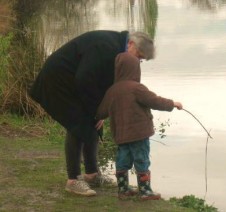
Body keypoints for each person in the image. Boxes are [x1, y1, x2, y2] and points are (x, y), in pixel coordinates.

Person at [29, 30, 155, 196]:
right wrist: (96, 109)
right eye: (138, 56)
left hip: (73, 82)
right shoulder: (106, 47)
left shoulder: (117, 50)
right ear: (130, 44)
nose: (138, 61)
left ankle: (92, 174)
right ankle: (73, 180)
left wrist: (98, 112)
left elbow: (97, 81)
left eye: (141, 60)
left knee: (92, 122)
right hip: (57, 82)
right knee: (78, 124)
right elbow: (84, 78)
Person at [96, 52, 183, 200]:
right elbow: (154, 101)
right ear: (135, 69)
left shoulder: (112, 91)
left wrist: (99, 118)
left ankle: (123, 190)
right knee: (142, 159)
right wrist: (172, 104)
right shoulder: (137, 88)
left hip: (121, 136)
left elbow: (102, 110)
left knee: (123, 160)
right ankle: (145, 191)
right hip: (139, 134)